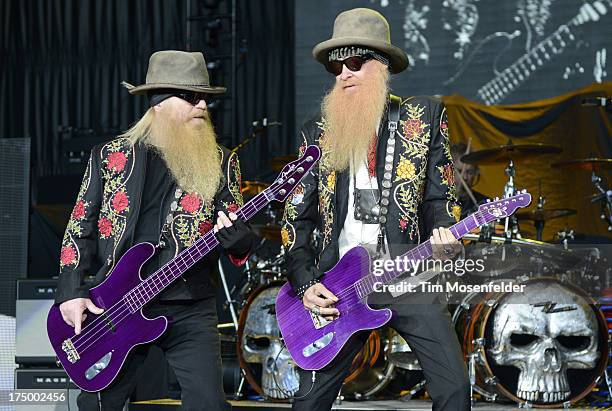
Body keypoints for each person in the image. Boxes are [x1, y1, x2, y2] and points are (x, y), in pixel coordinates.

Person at [281, 8, 470, 410]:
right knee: (309, 401)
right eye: (336, 66)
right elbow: (296, 216)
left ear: (382, 66)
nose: (343, 74)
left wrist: (445, 232)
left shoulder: (423, 117)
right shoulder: (318, 129)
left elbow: (442, 197)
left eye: (355, 62)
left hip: (407, 277)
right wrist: (304, 281)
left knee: (454, 389)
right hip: (339, 286)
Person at [55, 50, 255, 411]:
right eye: (192, 97)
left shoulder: (222, 162)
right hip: (115, 305)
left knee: (209, 404)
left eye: (206, 98)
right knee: (99, 403)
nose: (203, 106)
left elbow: (237, 233)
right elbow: (79, 227)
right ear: (159, 103)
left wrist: (240, 237)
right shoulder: (110, 156)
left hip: (189, 302)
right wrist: (72, 291)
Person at [450, 142, 487, 219]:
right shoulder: (437, 200)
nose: (465, 177)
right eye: (460, 171)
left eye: (469, 172)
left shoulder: (483, 204)